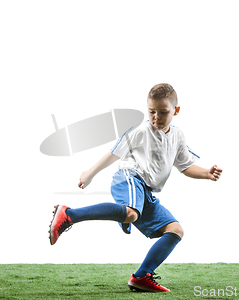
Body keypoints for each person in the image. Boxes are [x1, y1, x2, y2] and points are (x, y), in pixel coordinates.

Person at [49, 83, 222, 292]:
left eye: (163, 112)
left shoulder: (177, 136)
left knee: (175, 230)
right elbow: (114, 153)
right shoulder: (140, 131)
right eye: (151, 112)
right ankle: (70, 214)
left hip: (146, 191)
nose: (156, 117)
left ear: (176, 111)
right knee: (131, 214)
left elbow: (185, 166)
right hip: (129, 177)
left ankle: (141, 276)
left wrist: (207, 173)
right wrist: (90, 174)